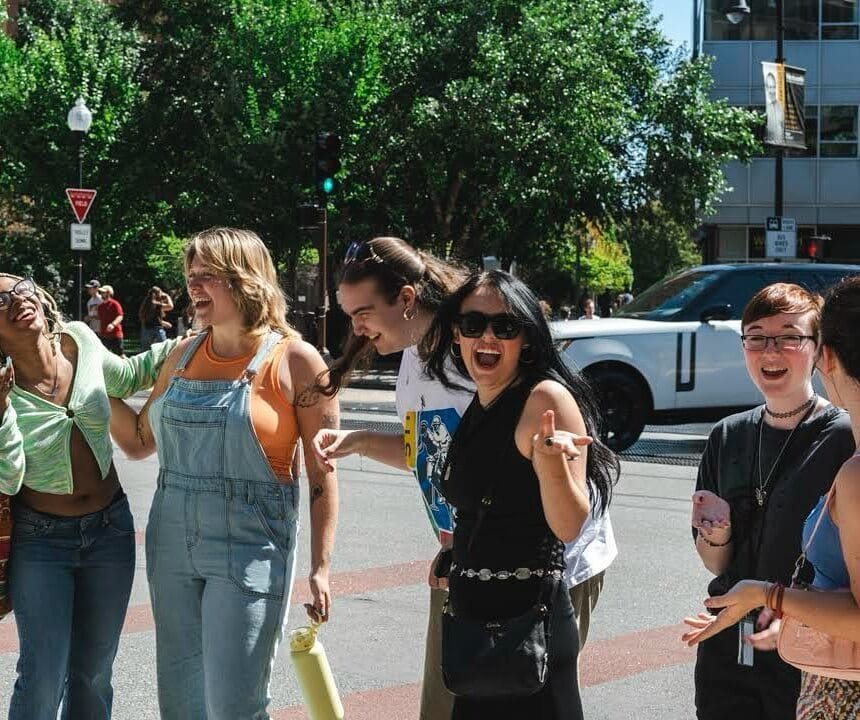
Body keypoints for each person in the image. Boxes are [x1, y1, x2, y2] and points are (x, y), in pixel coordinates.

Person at [108, 227, 339, 720]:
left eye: (207, 276)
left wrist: (321, 567)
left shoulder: (296, 361)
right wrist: (81, 379)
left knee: (235, 705)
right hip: (171, 542)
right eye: (191, 276)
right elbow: (138, 442)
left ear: (246, 280)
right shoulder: (182, 354)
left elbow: (322, 476)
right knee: (181, 702)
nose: (193, 287)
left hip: (250, 545)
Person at [420, 269, 618, 718]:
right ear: (456, 334)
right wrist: (459, 553)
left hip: (527, 627)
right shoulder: (483, 398)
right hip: (477, 620)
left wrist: (551, 467)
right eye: (473, 324)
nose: (487, 337)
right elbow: (494, 501)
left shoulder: (543, 400)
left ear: (526, 338)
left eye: (505, 327)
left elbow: (568, 524)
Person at [0, 273, 177, 719]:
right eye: (0, 300)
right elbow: (9, 476)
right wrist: (1, 412)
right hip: (40, 541)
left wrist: (188, 344)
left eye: (21, 288)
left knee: (94, 673)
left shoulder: (79, 339)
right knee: (43, 673)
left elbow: (130, 376)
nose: (17, 300)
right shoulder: (3, 390)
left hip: (109, 531)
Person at [311, 236, 470, 720]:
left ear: (406, 299)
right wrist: (358, 441)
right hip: (462, 558)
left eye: (363, 311)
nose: (355, 327)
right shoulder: (412, 359)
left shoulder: (470, 352)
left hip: (535, 564)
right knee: (443, 707)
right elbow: (426, 451)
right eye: (348, 314)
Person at [681, 282, 855, 719]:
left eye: (789, 336)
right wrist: (717, 535)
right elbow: (717, 565)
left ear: (819, 350)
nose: (770, 351)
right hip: (726, 636)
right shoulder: (727, 435)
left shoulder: (843, 436)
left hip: (803, 640)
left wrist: (780, 601)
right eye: (756, 337)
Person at [138, 285, 174, 351]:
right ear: (158, 294)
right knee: (163, 349)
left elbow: (150, 318)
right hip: (157, 330)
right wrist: (168, 296)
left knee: (146, 351)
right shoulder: (156, 304)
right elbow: (171, 306)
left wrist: (163, 323)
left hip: (146, 329)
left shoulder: (146, 304)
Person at [97, 284, 125, 356]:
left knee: (120, 356)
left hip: (115, 335)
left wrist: (113, 324)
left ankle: (127, 367)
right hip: (103, 335)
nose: (101, 294)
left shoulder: (115, 304)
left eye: (104, 292)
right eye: (101, 292)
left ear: (109, 293)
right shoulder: (100, 306)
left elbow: (120, 316)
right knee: (103, 356)